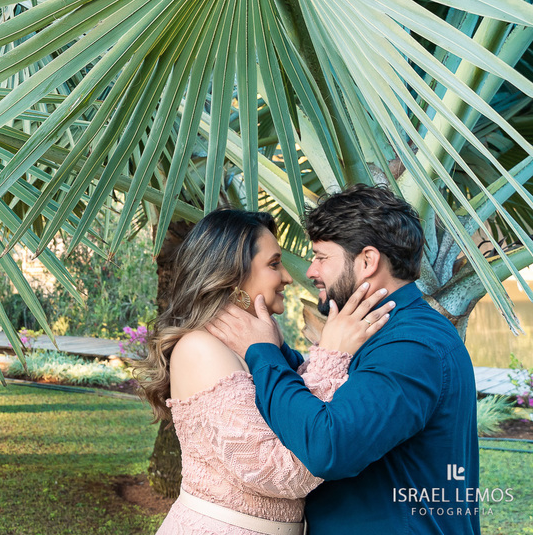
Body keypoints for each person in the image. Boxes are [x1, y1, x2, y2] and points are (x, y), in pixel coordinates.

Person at [207, 184, 480, 534]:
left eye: (321, 257)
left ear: (367, 261)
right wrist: (275, 348)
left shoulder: (412, 346)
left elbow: (328, 447)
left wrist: (263, 353)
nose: (310, 271)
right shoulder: (385, 332)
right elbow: (333, 396)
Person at [141, 208, 391, 535]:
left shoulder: (256, 345)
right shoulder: (200, 348)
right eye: (274, 264)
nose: (287, 277)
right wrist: (332, 355)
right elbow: (279, 473)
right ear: (232, 276)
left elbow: (293, 407)